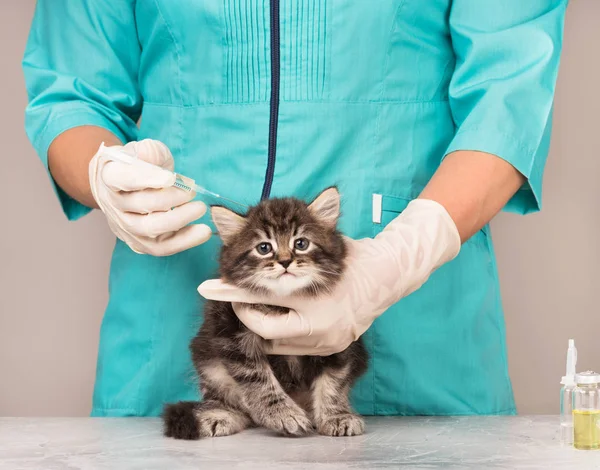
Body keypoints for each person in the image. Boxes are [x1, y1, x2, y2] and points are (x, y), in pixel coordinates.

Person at [23, 1, 568, 417]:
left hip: (414, 322)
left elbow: (510, 99)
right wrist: (108, 176)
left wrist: (400, 257)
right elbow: (71, 93)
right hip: (178, 309)